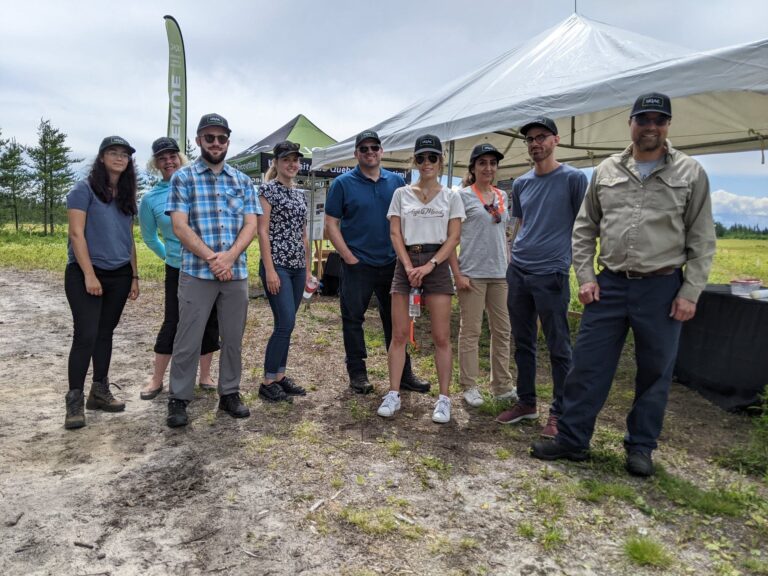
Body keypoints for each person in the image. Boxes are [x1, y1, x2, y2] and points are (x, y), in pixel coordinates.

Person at [531, 93, 716, 477]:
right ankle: (572, 440)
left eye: (659, 120)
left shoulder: (690, 173)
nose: (651, 126)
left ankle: (641, 447)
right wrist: (585, 276)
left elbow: (702, 238)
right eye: (643, 119)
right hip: (609, 285)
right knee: (587, 367)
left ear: (667, 125)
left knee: (655, 370)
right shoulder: (607, 170)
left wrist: (690, 292)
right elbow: (584, 228)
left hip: (662, 287)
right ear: (630, 123)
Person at [165, 113, 261, 428]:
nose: (216, 143)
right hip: (196, 272)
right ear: (198, 141)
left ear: (228, 141)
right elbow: (179, 226)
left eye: (221, 138)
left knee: (233, 337)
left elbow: (251, 224)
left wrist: (230, 257)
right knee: (188, 337)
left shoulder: (242, 181)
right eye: (210, 137)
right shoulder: (183, 178)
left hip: (235, 273)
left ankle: (229, 393)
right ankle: (179, 398)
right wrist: (212, 258)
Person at [496, 117, 587, 439]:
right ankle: (527, 402)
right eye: (530, 139)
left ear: (555, 140)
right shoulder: (521, 184)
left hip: (552, 273)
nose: (535, 143)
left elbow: (584, 226)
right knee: (523, 343)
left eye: (541, 137)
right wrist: (511, 257)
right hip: (519, 271)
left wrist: (575, 265)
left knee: (559, 347)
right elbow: (519, 224)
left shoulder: (574, 179)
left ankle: (560, 413)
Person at [325, 130, 429, 395]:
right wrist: (348, 257)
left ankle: (404, 373)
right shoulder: (342, 184)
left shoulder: (396, 182)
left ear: (382, 151)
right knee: (352, 319)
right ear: (356, 153)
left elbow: (409, 219)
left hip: (392, 263)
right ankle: (357, 373)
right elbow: (331, 225)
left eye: (374, 147)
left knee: (397, 321)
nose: (369, 152)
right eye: (364, 148)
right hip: (357, 264)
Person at [379, 134, 465, 424]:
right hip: (406, 263)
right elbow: (395, 233)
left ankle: (443, 399)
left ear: (440, 161)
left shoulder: (451, 196)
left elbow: (453, 237)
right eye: (421, 158)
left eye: (432, 157)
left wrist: (429, 266)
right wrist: (407, 266)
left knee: (441, 336)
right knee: (399, 334)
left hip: (436, 264)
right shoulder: (401, 194)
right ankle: (393, 393)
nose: (426, 163)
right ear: (414, 161)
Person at [63, 136, 140, 429]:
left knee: (105, 333)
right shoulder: (83, 190)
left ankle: (99, 390)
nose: (120, 157)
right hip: (85, 272)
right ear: (102, 157)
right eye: (113, 152)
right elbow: (76, 234)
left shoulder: (125, 193)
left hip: (120, 274)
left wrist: (133, 275)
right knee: (86, 334)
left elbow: (128, 238)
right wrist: (89, 275)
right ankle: (74, 400)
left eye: (124, 154)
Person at [138, 137, 220, 400]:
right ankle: (156, 379)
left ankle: (205, 376)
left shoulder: (196, 184)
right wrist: (170, 257)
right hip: (178, 267)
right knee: (173, 320)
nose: (168, 161)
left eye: (172, 156)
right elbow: (150, 237)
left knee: (210, 320)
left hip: (207, 264)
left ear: (180, 158)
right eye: (162, 158)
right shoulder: (150, 199)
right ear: (155, 163)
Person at [451, 143, 517, 407]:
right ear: (473, 168)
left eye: (493, 163)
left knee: (503, 331)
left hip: (500, 274)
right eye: (482, 163)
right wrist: (457, 274)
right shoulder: (462, 196)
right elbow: (451, 237)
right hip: (472, 274)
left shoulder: (502, 196)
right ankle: (469, 385)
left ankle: (502, 385)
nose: (488, 168)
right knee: (471, 331)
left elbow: (505, 232)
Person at [256, 141, 311, 403]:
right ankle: (267, 381)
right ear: (275, 163)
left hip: (298, 267)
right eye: (286, 159)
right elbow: (262, 231)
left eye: (295, 160)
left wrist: (308, 270)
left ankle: (279, 376)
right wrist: (269, 270)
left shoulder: (301, 195)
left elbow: (304, 235)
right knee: (285, 322)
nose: (292, 164)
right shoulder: (267, 190)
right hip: (277, 265)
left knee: (287, 325)